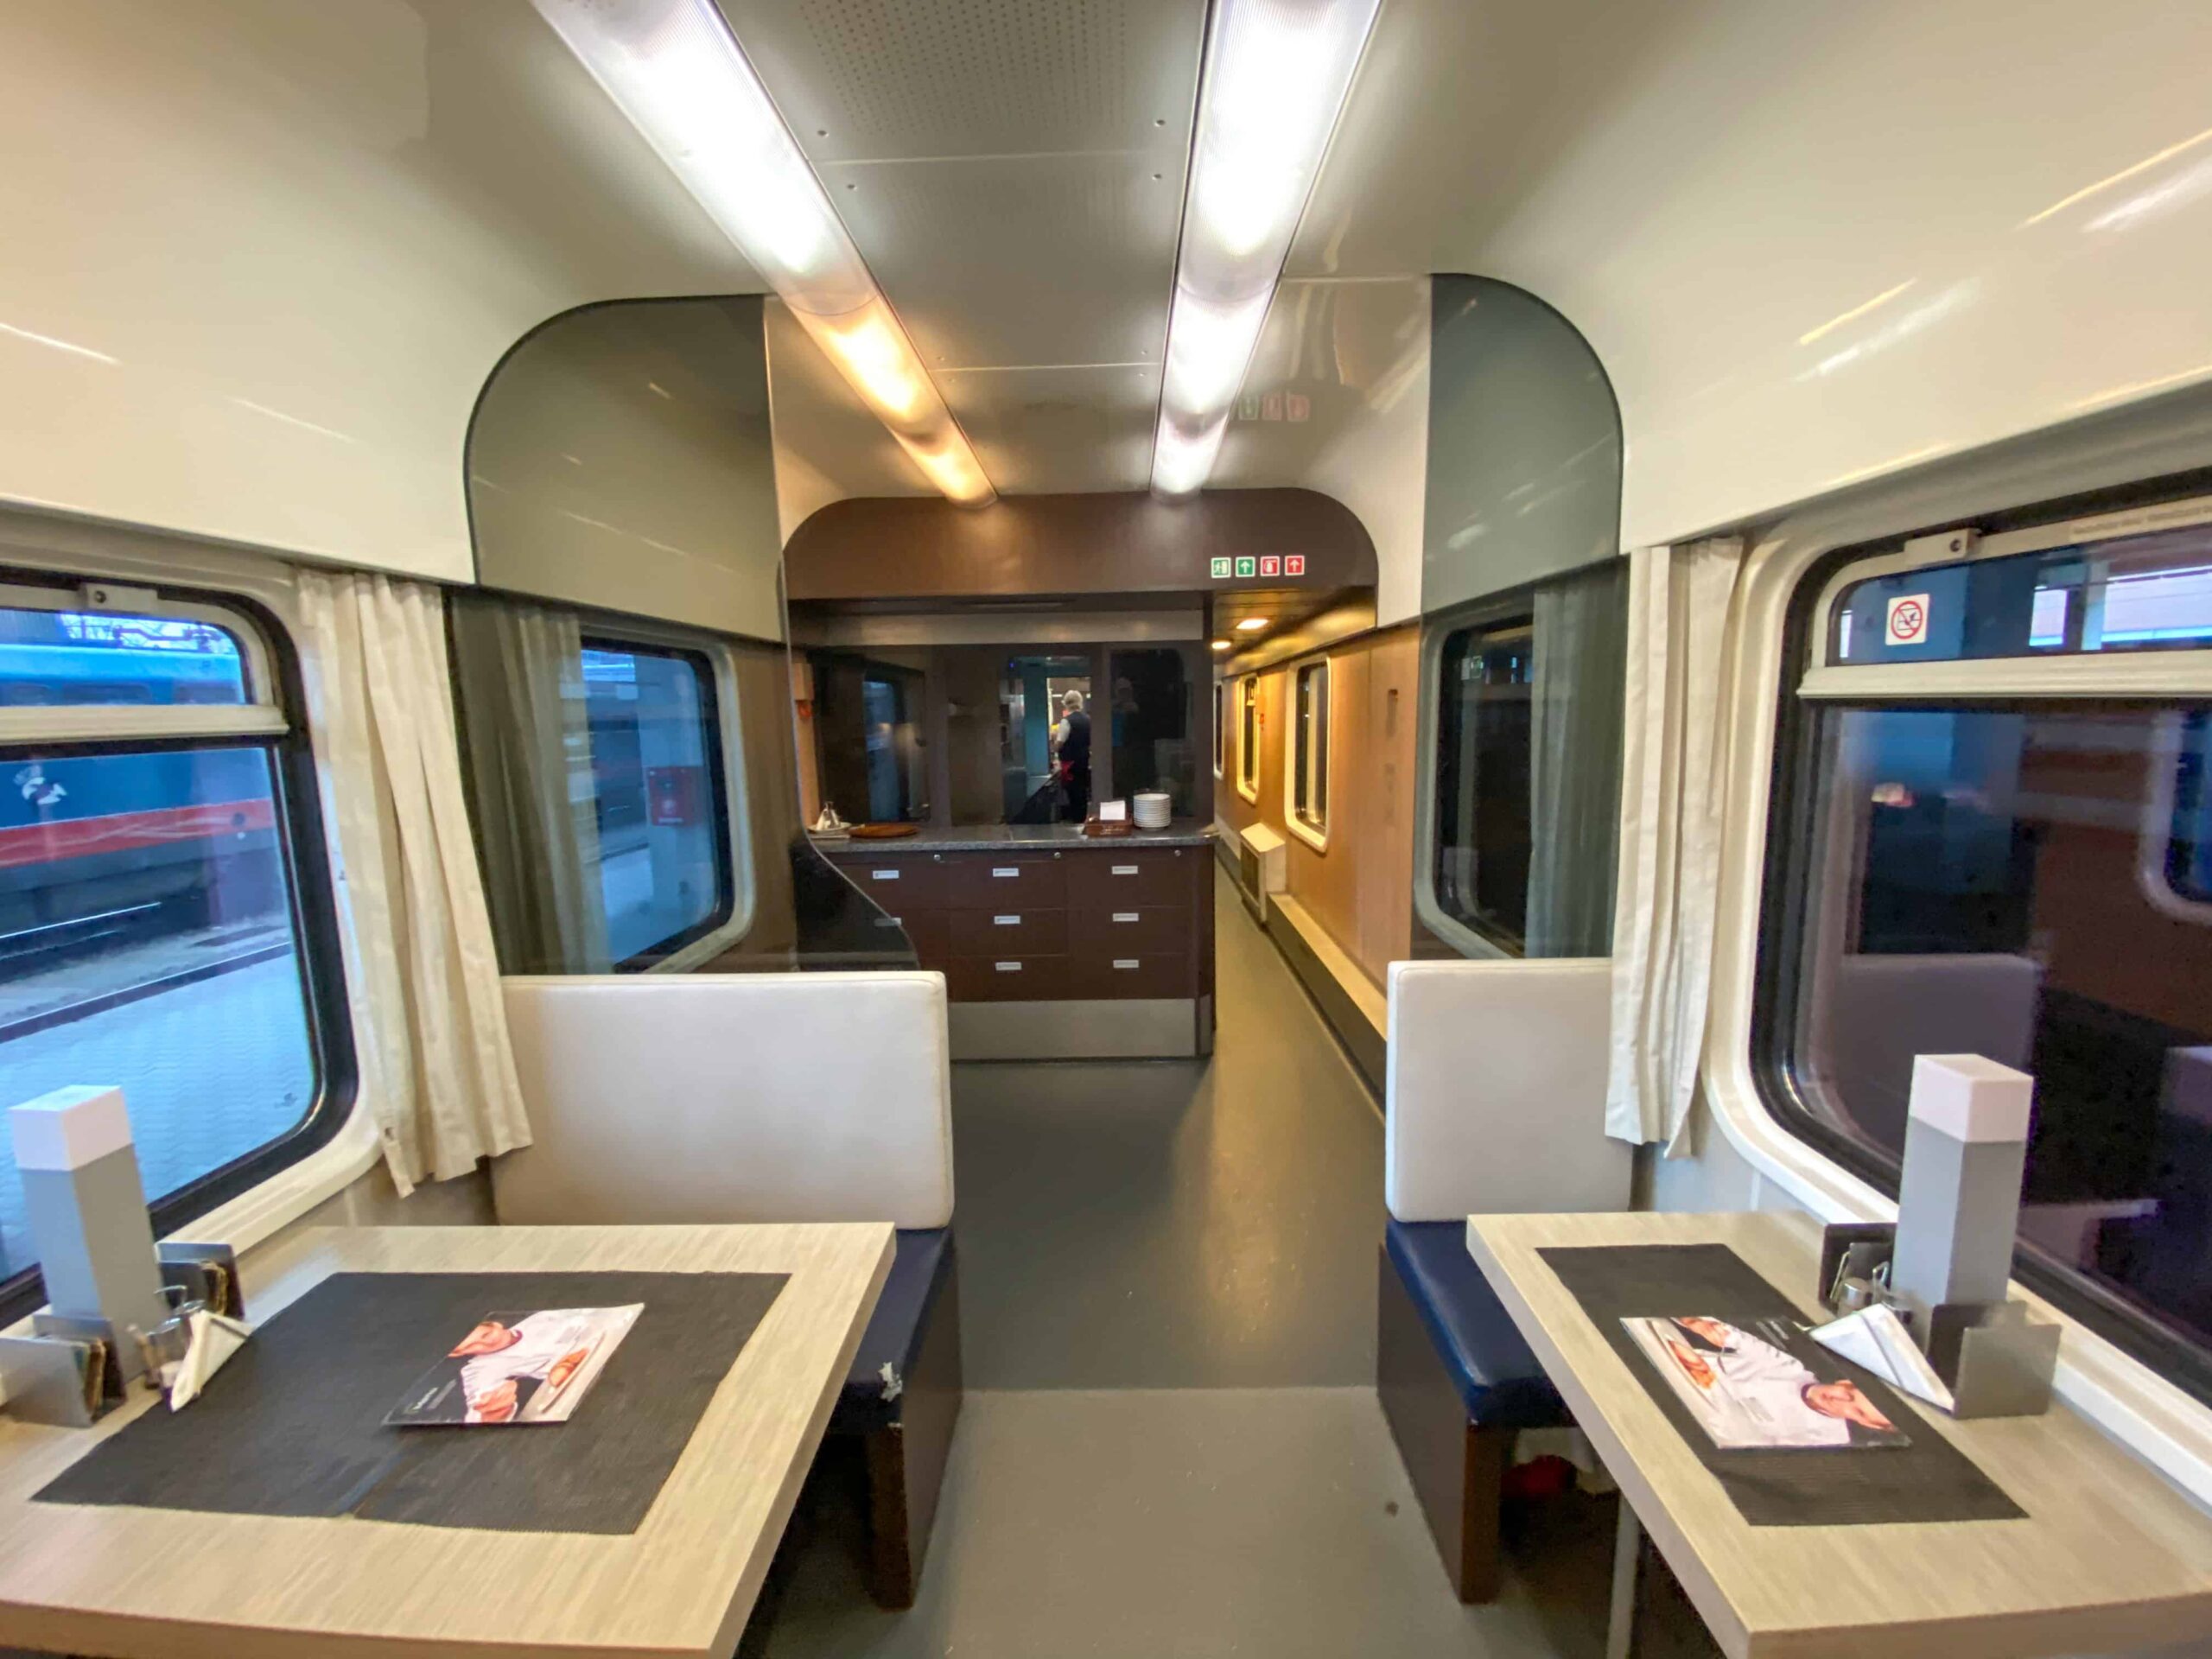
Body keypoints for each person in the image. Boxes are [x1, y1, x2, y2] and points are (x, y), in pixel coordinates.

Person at [1052, 688, 1090, 821]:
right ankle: (1083, 817)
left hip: (1070, 763)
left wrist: (1054, 748)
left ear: (1066, 703)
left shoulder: (1066, 721)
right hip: (1084, 760)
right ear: (1080, 702)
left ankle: (1075, 819)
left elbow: (1060, 742)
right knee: (1082, 790)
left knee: (1072, 791)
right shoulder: (1088, 720)